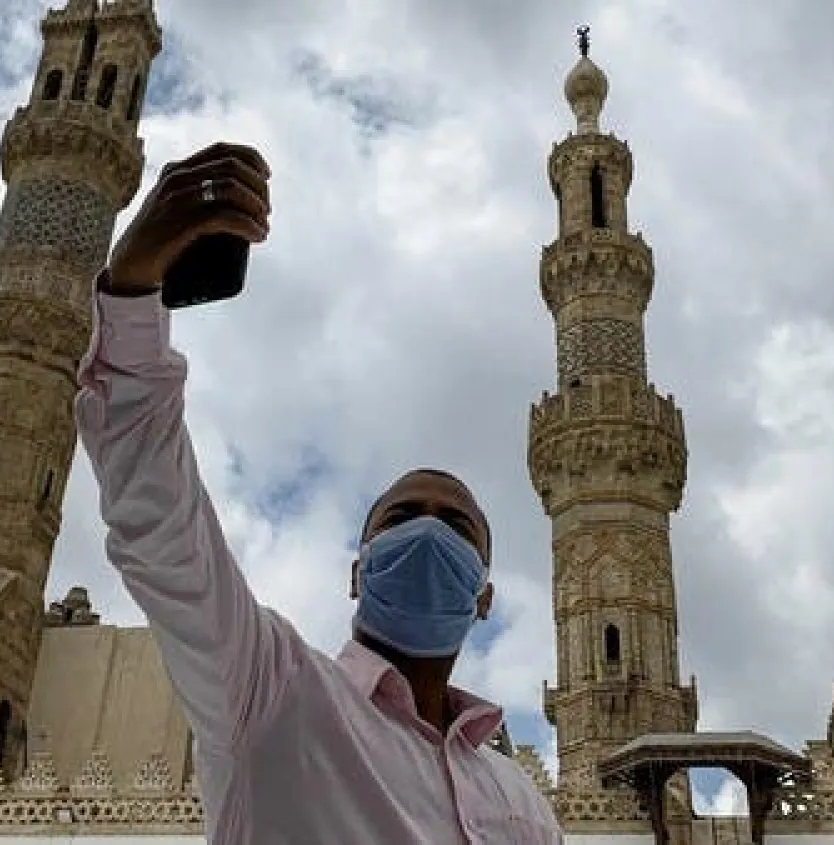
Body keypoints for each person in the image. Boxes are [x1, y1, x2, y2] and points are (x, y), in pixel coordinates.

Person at [74, 142, 565, 845]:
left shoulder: (520, 801)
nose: (429, 532)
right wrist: (132, 288)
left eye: (457, 526)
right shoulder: (271, 691)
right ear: (359, 571)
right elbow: (161, 526)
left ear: (484, 597)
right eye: (402, 517)